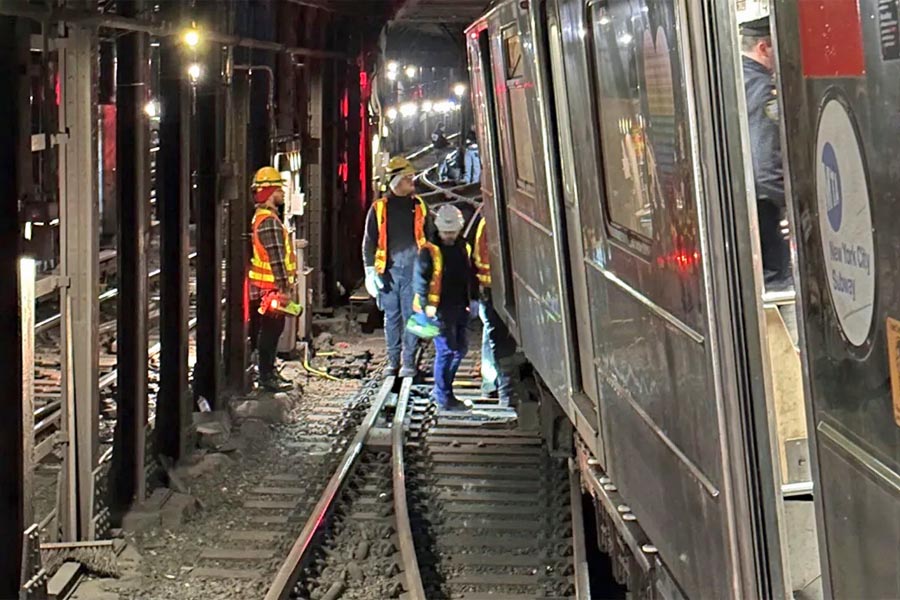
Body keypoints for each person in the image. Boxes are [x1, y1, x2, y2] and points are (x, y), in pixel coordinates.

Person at [362, 156, 428, 377]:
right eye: (408, 178)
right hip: (388, 272)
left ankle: (408, 363)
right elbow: (369, 242)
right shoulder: (379, 208)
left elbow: (430, 239)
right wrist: (370, 271)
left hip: (413, 271)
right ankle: (393, 361)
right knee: (391, 317)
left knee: (411, 316)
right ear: (396, 181)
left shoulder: (419, 206)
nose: (412, 181)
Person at [741, 16, 792, 290]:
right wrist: (793, 204)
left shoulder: (737, 79)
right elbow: (765, 164)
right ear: (763, 47)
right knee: (779, 286)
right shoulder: (762, 88)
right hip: (767, 209)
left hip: (747, 206)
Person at [413, 204, 477, 411]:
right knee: (447, 350)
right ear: (439, 229)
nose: (449, 236)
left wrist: (473, 299)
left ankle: (444, 392)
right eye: (446, 232)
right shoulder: (428, 251)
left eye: (453, 232)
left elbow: (470, 273)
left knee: (460, 349)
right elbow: (421, 281)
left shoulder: (463, 246)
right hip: (438, 309)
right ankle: (443, 396)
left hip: (459, 305)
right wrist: (426, 307)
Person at [248, 166, 296, 392]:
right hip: (271, 290)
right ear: (269, 192)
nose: (282, 193)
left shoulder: (261, 218)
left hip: (265, 288)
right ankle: (267, 376)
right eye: (279, 189)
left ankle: (267, 372)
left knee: (268, 331)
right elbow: (276, 258)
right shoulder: (269, 222)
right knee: (271, 331)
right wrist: (284, 288)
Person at [473, 216, 511, 406]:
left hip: (492, 289)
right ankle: (498, 388)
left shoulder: (487, 223)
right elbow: (481, 259)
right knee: (496, 338)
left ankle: (491, 385)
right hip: (490, 290)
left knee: (492, 337)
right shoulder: (487, 224)